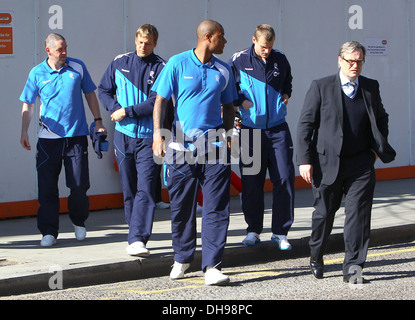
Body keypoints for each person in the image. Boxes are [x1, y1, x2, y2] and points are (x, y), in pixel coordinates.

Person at [296, 41, 396, 283]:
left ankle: (353, 269)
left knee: (358, 217)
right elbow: (305, 125)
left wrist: (374, 151)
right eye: (351, 61)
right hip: (326, 163)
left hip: (361, 164)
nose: (355, 65)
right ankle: (316, 255)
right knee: (324, 214)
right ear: (340, 60)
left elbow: (382, 118)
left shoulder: (370, 87)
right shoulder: (321, 86)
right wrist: (304, 161)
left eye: (359, 61)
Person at [152, 20, 237, 285]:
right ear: (208, 37)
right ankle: (182, 258)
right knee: (181, 207)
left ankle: (212, 265)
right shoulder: (177, 64)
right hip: (180, 147)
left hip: (214, 148)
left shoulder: (223, 69)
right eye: (222, 37)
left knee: (216, 207)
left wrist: (228, 135)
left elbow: (230, 106)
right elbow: (160, 101)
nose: (225, 42)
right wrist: (157, 134)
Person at [20, 33, 106, 247]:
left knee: (78, 185)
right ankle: (48, 231)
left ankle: (79, 222)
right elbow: (28, 104)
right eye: (60, 49)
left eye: (66, 47)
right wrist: (24, 131)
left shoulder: (77, 67)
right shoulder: (37, 72)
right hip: (48, 140)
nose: (64, 52)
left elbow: (90, 94)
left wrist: (97, 121)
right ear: (48, 51)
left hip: (76, 137)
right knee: (47, 187)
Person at [98, 24, 165, 257]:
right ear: (135, 40)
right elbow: (104, 90)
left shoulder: (162, 67)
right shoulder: (120, 62)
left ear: (155, 43)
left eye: (148, 43)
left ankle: (138, 238)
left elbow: (156, 103)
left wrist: (126, 111)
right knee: (129, 189)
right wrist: (114, 108)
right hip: (123, 137)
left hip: (149, 138)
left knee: (146, 190)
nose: (143, 46)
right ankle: (133, 232)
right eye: (140, 42)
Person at [228, 24, 295, 250]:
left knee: (284, 178)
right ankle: (253, 230)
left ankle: (280, 232)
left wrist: (285, 95)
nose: (267, 51)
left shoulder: (281, 59)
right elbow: (227, 88)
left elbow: (288, 82)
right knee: (252, 183)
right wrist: (240, 101)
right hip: (250, 130)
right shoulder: (238, 60)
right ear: (254, 40)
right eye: (263, 47)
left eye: (270, 47)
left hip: (278, 129)